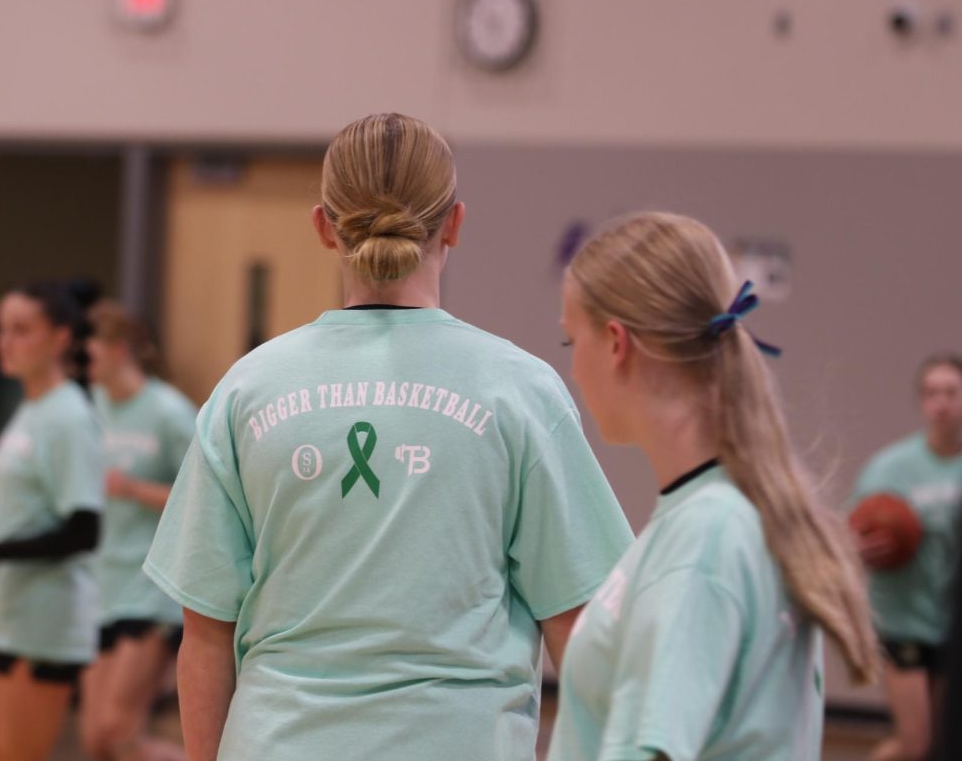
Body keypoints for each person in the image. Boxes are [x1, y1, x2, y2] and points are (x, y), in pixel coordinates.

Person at [143, 113, 633, 761]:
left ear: (323, 226)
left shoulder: (245, 391)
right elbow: (578, 623)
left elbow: (205, 635)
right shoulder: (520, 392)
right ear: (454, 224)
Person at [551, 211, 879, 761]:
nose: (573, 371)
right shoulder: (723, 516)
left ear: (615, 343)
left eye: (569, 343)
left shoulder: (707, 534)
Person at [0, 282, 104, 761]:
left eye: (21, 330)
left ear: (59, 339)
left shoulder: (69, 417)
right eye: (2, 329)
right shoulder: (30, 408)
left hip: (44, 624)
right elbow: (16, 519)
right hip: (4, 618)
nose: (4, 341)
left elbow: (83, 530)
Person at [81, 299, 195, 761]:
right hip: (99, 585)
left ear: (119, 349)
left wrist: (133, 489)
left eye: (87, 351)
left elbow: (202, 497)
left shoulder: (169, 412)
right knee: (97, 740)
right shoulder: (88, 409)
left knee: (117, 728)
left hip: (150, 588)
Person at [848, 354, 962, 761]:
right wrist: (860, 547)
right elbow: (848, 537)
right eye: (932, 393)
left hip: (947, 621)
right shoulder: (890, 469)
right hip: (902, 619)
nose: (942, 403)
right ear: (920, 402)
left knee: (942, 746)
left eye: (951, 392)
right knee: (915, 742)